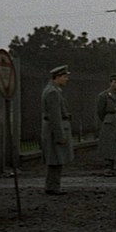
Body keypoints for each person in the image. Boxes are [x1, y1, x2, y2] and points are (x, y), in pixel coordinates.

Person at [40, 65, 74, 195]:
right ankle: (53, 187)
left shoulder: (53, 90)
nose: (66, 79)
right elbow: (55, 116)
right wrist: (60, 136)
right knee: (56, 159)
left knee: (56, 159)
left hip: (52, 129)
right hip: (54, 131)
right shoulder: (53, 92)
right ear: (57, 77)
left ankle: (52, 186)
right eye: (64, 76)